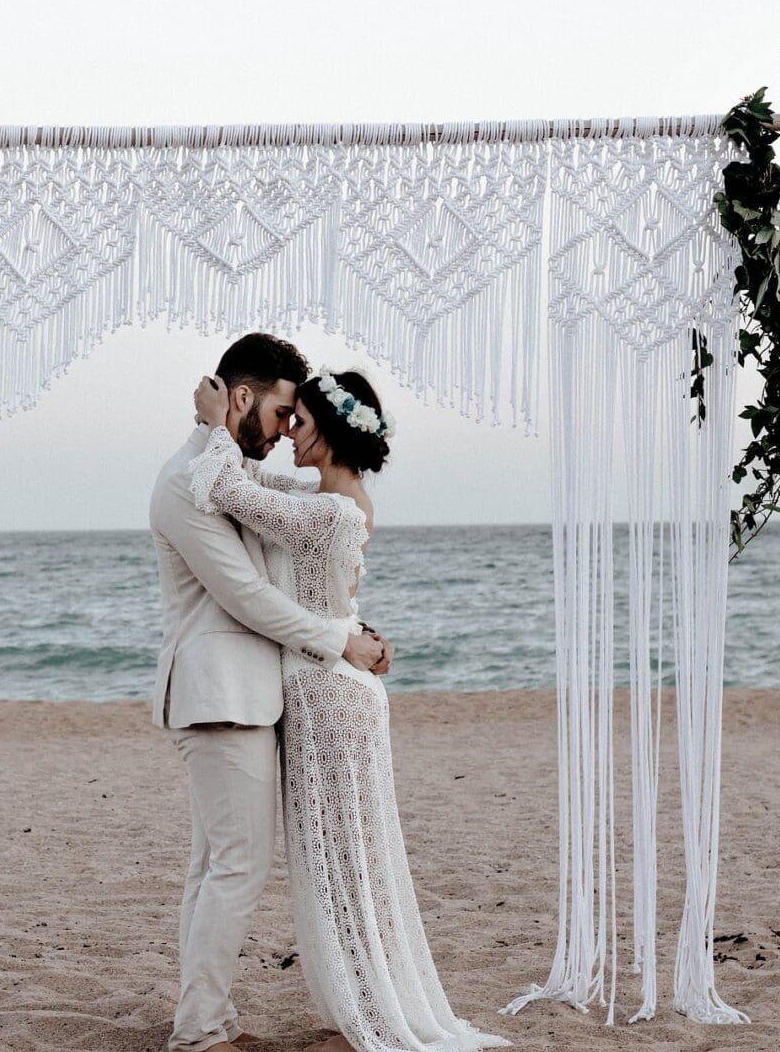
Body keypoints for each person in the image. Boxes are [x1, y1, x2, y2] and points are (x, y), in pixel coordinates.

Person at [188, 368, 507, 1052]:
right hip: (331, 689)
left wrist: (217, 423)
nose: (289, 433)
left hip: (330, 700)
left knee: (345, 866)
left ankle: (371, 1008)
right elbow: (259, 493)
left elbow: (225, 489)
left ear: (331, 433)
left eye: (298, 422)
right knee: (340, 861)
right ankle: (363, 999)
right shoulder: (330, 500)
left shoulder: (332, 510)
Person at [149, 333, 392, 1052]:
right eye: (283, 413)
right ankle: (201, 1032)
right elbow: (247, 594)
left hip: (243, 696)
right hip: (220, 696)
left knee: (216, 866)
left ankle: (203, 1020)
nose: (287, 429)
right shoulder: (185, 481)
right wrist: (336, 641)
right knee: (235, 867)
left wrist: (352, 623)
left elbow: (306, 536)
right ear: (242, 398)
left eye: (299, 420)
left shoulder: (229, 472)